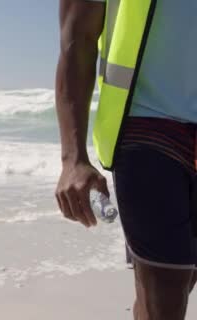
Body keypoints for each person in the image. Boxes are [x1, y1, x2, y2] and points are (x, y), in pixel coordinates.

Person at [55, 0, 197, 319]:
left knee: (180, 280)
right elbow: (77, 37)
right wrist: (73, 158)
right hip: (147, 125)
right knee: (168, 287)